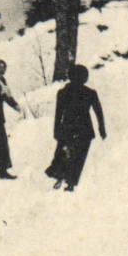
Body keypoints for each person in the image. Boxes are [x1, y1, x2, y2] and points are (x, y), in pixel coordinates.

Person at [46, 63, 106, 191]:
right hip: (84, 129)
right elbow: (98, 112)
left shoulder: (62, 92)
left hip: (67, 127)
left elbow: (58, 114)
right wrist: (102, 129)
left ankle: (60, 174)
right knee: (79, 157)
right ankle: (71, 183)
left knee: (63, 153)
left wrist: (56, 131)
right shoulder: (90, 93)